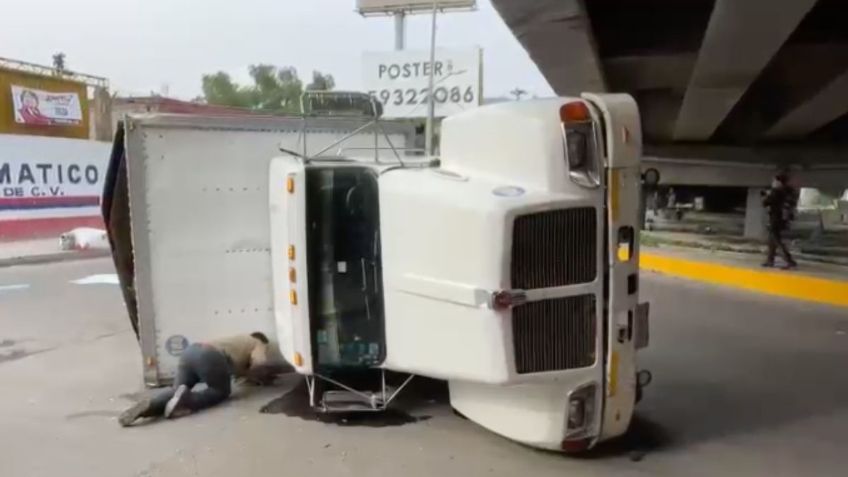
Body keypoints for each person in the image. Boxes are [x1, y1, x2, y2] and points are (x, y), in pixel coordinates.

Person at [118, 332, 281, 426]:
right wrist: (265, 377)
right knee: (220, 391)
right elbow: (260, 363)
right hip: (210, 357)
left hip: (190, 353)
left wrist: (248, 376)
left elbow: (239, 371)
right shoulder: (259, 342)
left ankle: (151, 406)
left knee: (176, 390)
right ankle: (188, 400)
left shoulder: (238, 341)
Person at [761, 173, 798, 269]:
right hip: (782, 218)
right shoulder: (787, 191)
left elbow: (765, 203)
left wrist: (767, 195)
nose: (773, 183)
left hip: (775, 218)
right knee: (771, 240)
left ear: (778, 182)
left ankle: (789, 260)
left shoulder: (776, 191)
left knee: (776, 240)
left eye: (774, 181)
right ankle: (770, 260)